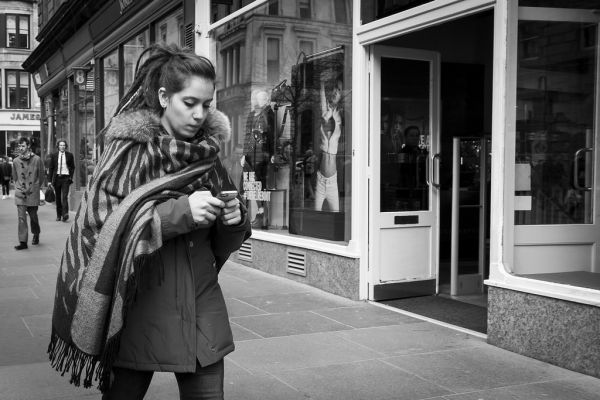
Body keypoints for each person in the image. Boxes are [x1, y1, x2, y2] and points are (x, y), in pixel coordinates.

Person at [48, 43, 251, 399]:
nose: (200, 114)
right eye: (189, 103)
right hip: (135, 308)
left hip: (200, 306)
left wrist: (233, 220)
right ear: (163, 96)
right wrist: (180, 213)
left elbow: (223, 242)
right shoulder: (126, 151)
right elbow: (100, 226)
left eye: (206, 104)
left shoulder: (208, 155)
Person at [241, 88, 275, 227]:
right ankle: (244, 215)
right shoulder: (251, 115)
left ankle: (262, 216)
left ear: (267, 101)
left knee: (261, 186)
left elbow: (272, 135)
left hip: (262, 156)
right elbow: (248, 136)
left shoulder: (269, 114)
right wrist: (244, 154)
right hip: (250, 155)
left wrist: (273, 153)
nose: (259, 101)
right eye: (258, 98)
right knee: (247, 185)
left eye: (263, 99)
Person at [315, 77, 343, 212]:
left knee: (336, 213)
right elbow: (323, 104)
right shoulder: (325, 110)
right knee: (315, 214)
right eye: (334, 90)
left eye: (338, 90)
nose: (335, 92)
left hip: (333, 181)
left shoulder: (341, 113)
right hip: (320, 179)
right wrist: (321, 85)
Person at [12, 137, 44, 250]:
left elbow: (41, 176)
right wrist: (19, 187)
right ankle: (23, 242)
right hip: (20, 193)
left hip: (32, 193)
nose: (21, 148)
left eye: (23, 146)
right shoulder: (15, 161)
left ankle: (36, 233)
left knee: (33, 217)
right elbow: (14, 177)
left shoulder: (37, 159)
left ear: (28, 146)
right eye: (19, 146)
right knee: (21, 218)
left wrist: (35, 187)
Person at [47, 139, 75, 221]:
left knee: (64, 197)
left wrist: (70, 177)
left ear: (65, 146)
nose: (62, 147)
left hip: (66, 178)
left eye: (63, 145)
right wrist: (49, 181)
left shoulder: (70, 155)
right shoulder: (54, 155)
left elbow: (72, 167)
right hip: (57, 179)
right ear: (58, 146)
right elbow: (51, 168)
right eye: (60, 145)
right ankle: (59, 215)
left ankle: (65, 214)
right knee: (58, 198)